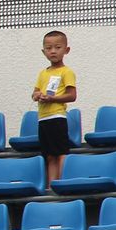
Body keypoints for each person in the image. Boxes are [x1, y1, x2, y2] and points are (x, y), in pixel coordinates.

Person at [31, 30, 77, 185]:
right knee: (49, 155)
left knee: (61, 152)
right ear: (43, 51)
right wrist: (37, 95)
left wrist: (53, 98)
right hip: (43, 119)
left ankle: (62, 183)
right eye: (49, 48)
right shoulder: (42, 73)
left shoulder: (67, 71)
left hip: (57, 117)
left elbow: (72, 95)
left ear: (66, 50)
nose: (53, 51)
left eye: (57, 47)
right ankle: (52, 186)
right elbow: (35, 92)